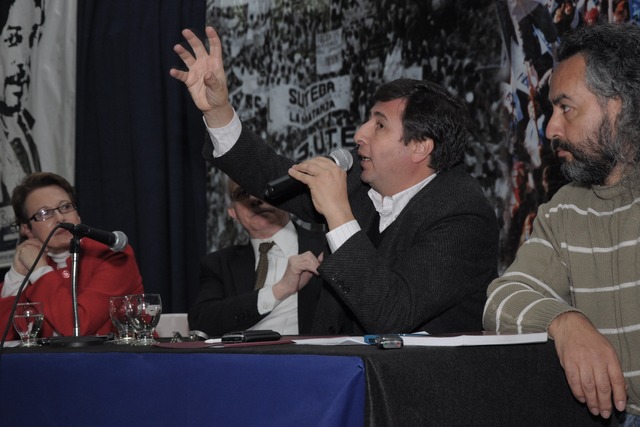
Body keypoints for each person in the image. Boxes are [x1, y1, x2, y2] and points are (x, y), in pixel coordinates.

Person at [170, 26, 499, 335]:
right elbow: (272, 172)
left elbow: (393, 313)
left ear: (420, 147)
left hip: (413, 377)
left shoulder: (462, 214)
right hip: (336, 367)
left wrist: (338, 212)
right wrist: (218, 110)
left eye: (379, 125)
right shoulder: (359, 180)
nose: (359, 135)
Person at [483, 22, 640, 423]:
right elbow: (501, 301)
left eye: (565, 107)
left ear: (617, 107)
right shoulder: (564, 209)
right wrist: (567, 323)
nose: (551, 128)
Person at [0, 172, 144, 340]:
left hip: (122, 356)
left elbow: (77, 329)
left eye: (66, 207)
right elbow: (6, 338)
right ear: (27, 229)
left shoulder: (112, 254)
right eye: (44, 213)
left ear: (78, 215)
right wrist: (16, 275)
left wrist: (39, 271)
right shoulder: (32, 262)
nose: (60, 218)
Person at [189, 176, 326, 337]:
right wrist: (279, 290)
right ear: (232, 212)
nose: (254, 198)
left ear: (288, 198)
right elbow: (200, 323)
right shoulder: (218, 263)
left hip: (310, 352)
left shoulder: (326, 248)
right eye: (243, 193)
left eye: (264, 188)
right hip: (244, 353)